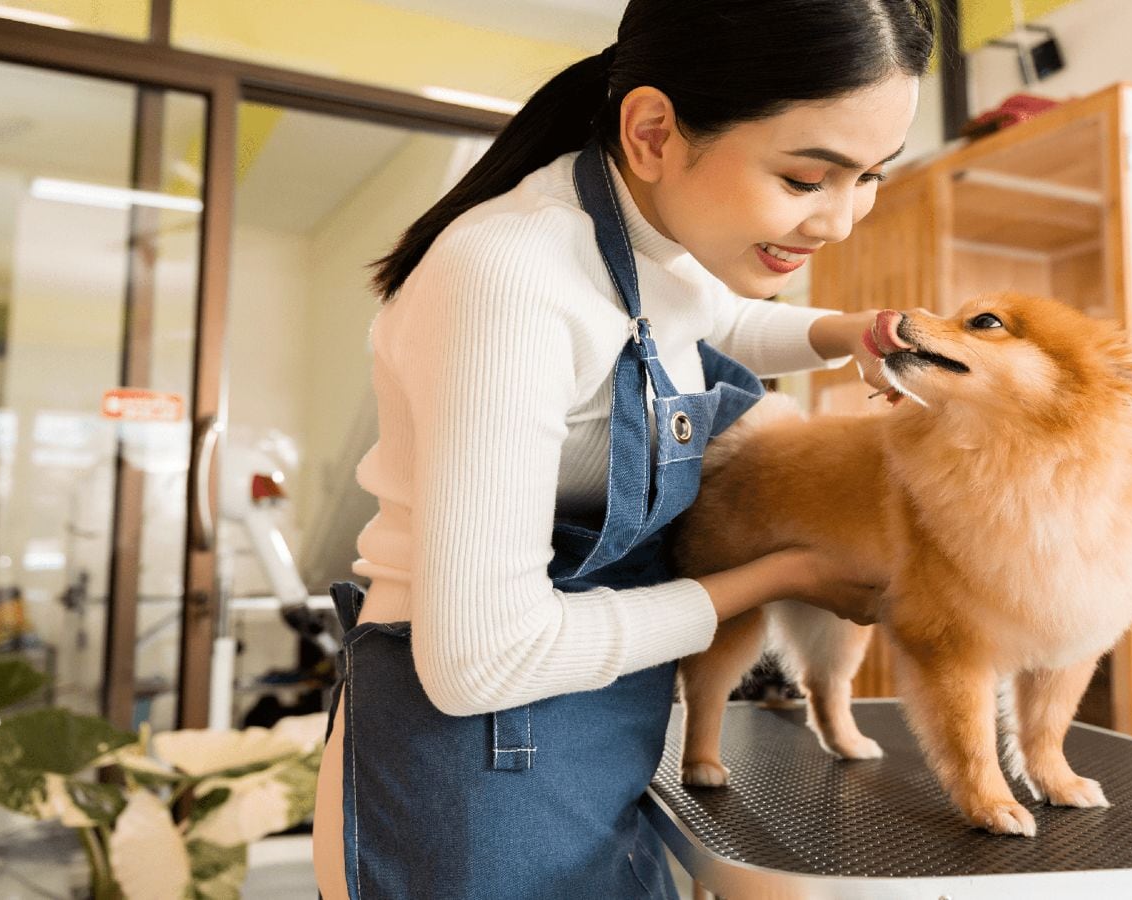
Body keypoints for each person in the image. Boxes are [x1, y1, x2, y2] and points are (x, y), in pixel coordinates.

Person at [312, 1, 936, 897]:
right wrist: (782, 575)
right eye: (808, 179)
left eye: (870, 176)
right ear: (652, 133)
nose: (841, 221)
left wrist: (847, 332)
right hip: (477, 766)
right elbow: (480, 662)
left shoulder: (649, 236)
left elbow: (714, 317)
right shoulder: (508, 280)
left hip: (600, 731)